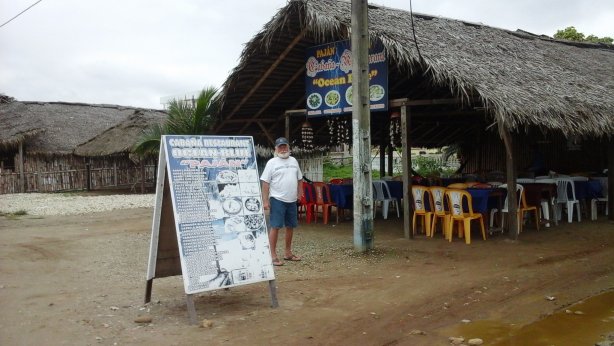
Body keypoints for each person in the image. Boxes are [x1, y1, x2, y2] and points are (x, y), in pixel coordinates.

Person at [260, 137, 303, 266]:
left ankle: (288, 253)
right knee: (276, 226)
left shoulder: (294, 161)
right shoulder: (272, 163)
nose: (283, 149)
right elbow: (265, 183)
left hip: (292, 200)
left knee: (291, 226)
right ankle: (272, 255)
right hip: (277, 199)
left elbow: (300, 179)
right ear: (276, 149)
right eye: (280, 147)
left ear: (289, 148)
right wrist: (265, 201)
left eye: (285, 146)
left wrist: (300, 193)